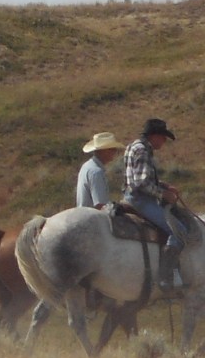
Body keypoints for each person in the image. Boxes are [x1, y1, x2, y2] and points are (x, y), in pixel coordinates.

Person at [123, 117, 187, 293]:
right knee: (179, 231)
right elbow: (142, 183)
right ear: (155, 136)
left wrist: (163, 184)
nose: (164, 142)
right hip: (139, 200)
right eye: (163, 137)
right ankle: (166, 276)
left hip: (130, 196)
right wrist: (163, 194)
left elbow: (137, 177)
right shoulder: (143, 151)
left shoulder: (133, 146)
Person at [76, 131, 125, 208]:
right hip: (93, 217)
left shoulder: (87, 166)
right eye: (112, 149)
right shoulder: (96, 172)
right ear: (104, 151)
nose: (115, 152)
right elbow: (100, 205)